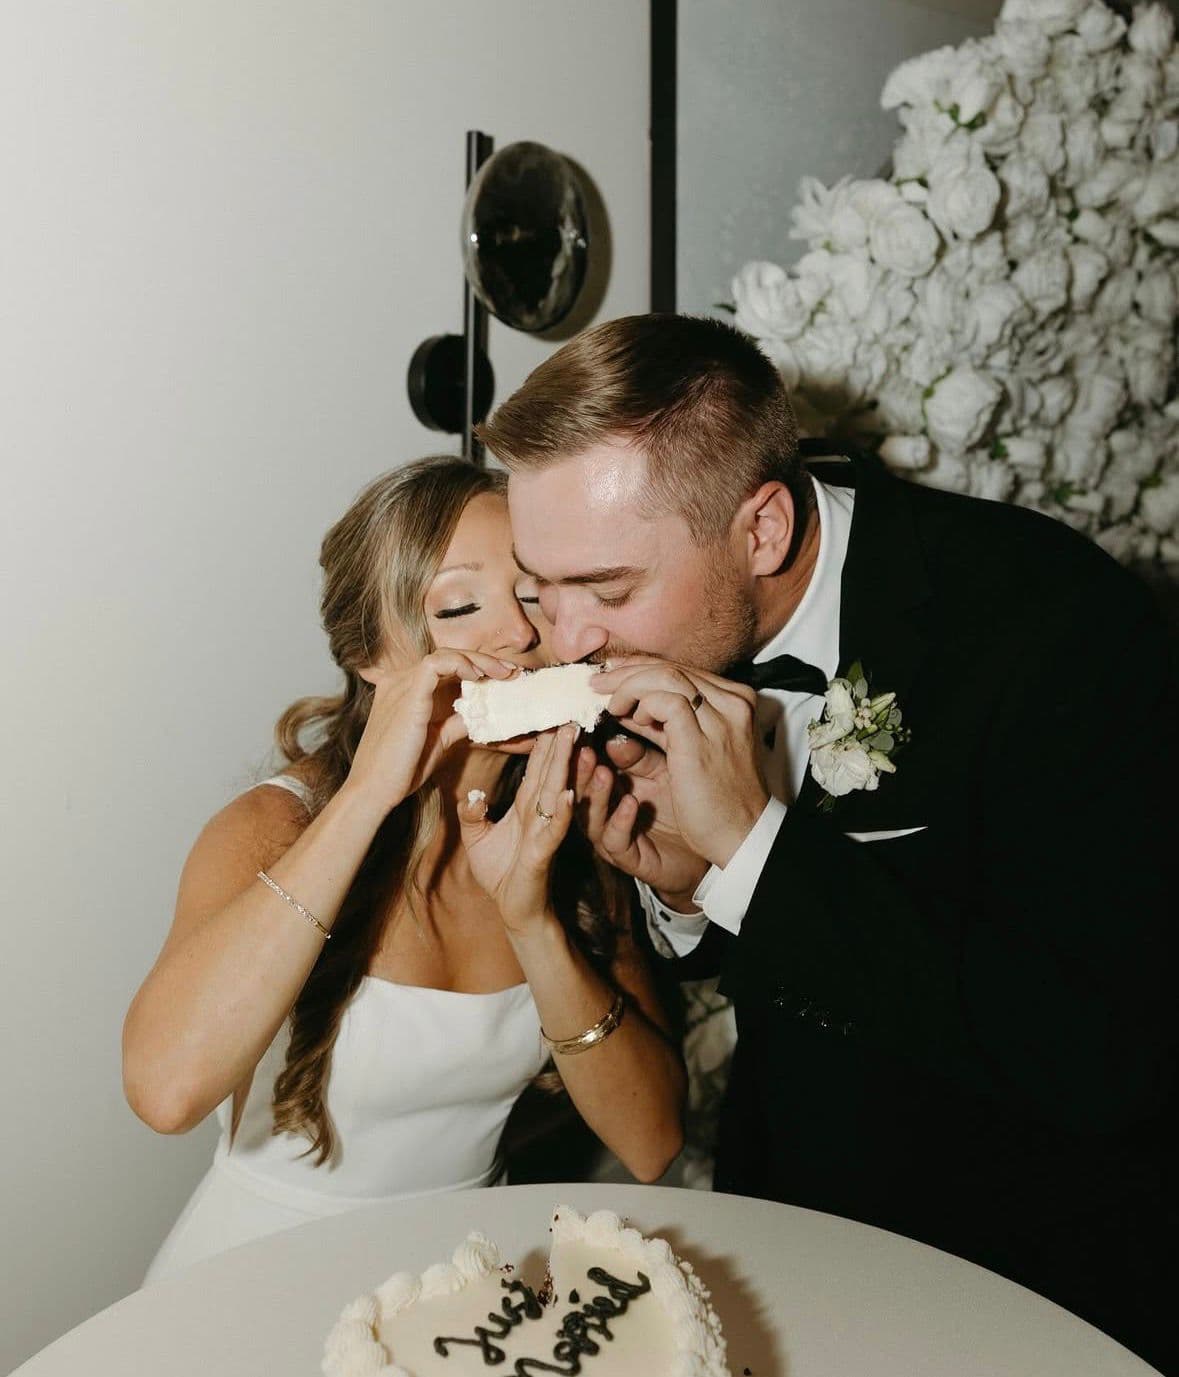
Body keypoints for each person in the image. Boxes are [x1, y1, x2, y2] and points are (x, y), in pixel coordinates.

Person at [479, 313, 1178, 1372]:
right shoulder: (644, 641)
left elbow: (1100, 1054)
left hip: (1028, 1265)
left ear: (760, 530)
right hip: (793, 1221)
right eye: (544, 586)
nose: (566, 639)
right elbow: (781, 960)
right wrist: (686, 891)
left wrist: (756, 855)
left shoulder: (1058, 630)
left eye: (609, 589)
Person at [122, 455, 684, 1283]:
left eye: (532, 594)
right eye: (460, 604)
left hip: (460, 1296)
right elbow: (165, 1092)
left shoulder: (570, 826)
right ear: (368, 658)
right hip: (253, 1280)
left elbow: (652, 1140)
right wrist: (366, 800)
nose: (519, 636)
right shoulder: (276, 827)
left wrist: (531, 918)